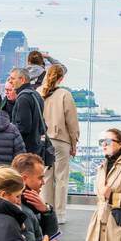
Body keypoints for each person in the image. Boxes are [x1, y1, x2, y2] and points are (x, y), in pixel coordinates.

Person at [40, 64, 79, 223]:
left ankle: (46, 210)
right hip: (61, 140)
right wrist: (74, 141)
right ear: (61, 78)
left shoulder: (39, 93)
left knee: (46, 177)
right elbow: (72, 122)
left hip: (43, 140)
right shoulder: (65, 94)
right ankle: (60, 214)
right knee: (61, 177)